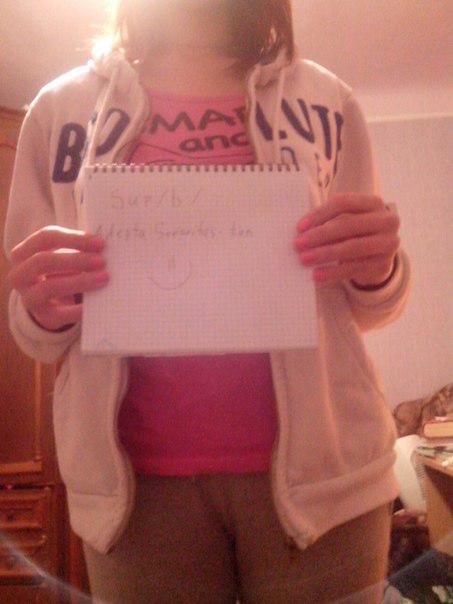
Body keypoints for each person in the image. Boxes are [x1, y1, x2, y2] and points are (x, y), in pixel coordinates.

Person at [4, 1, 411, 602]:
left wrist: (380, 269)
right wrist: (43, 306)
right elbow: (34, 329)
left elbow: (368, 305)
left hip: (326, 486)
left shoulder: (328, 100)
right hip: (133, 500)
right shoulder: (57, 111)